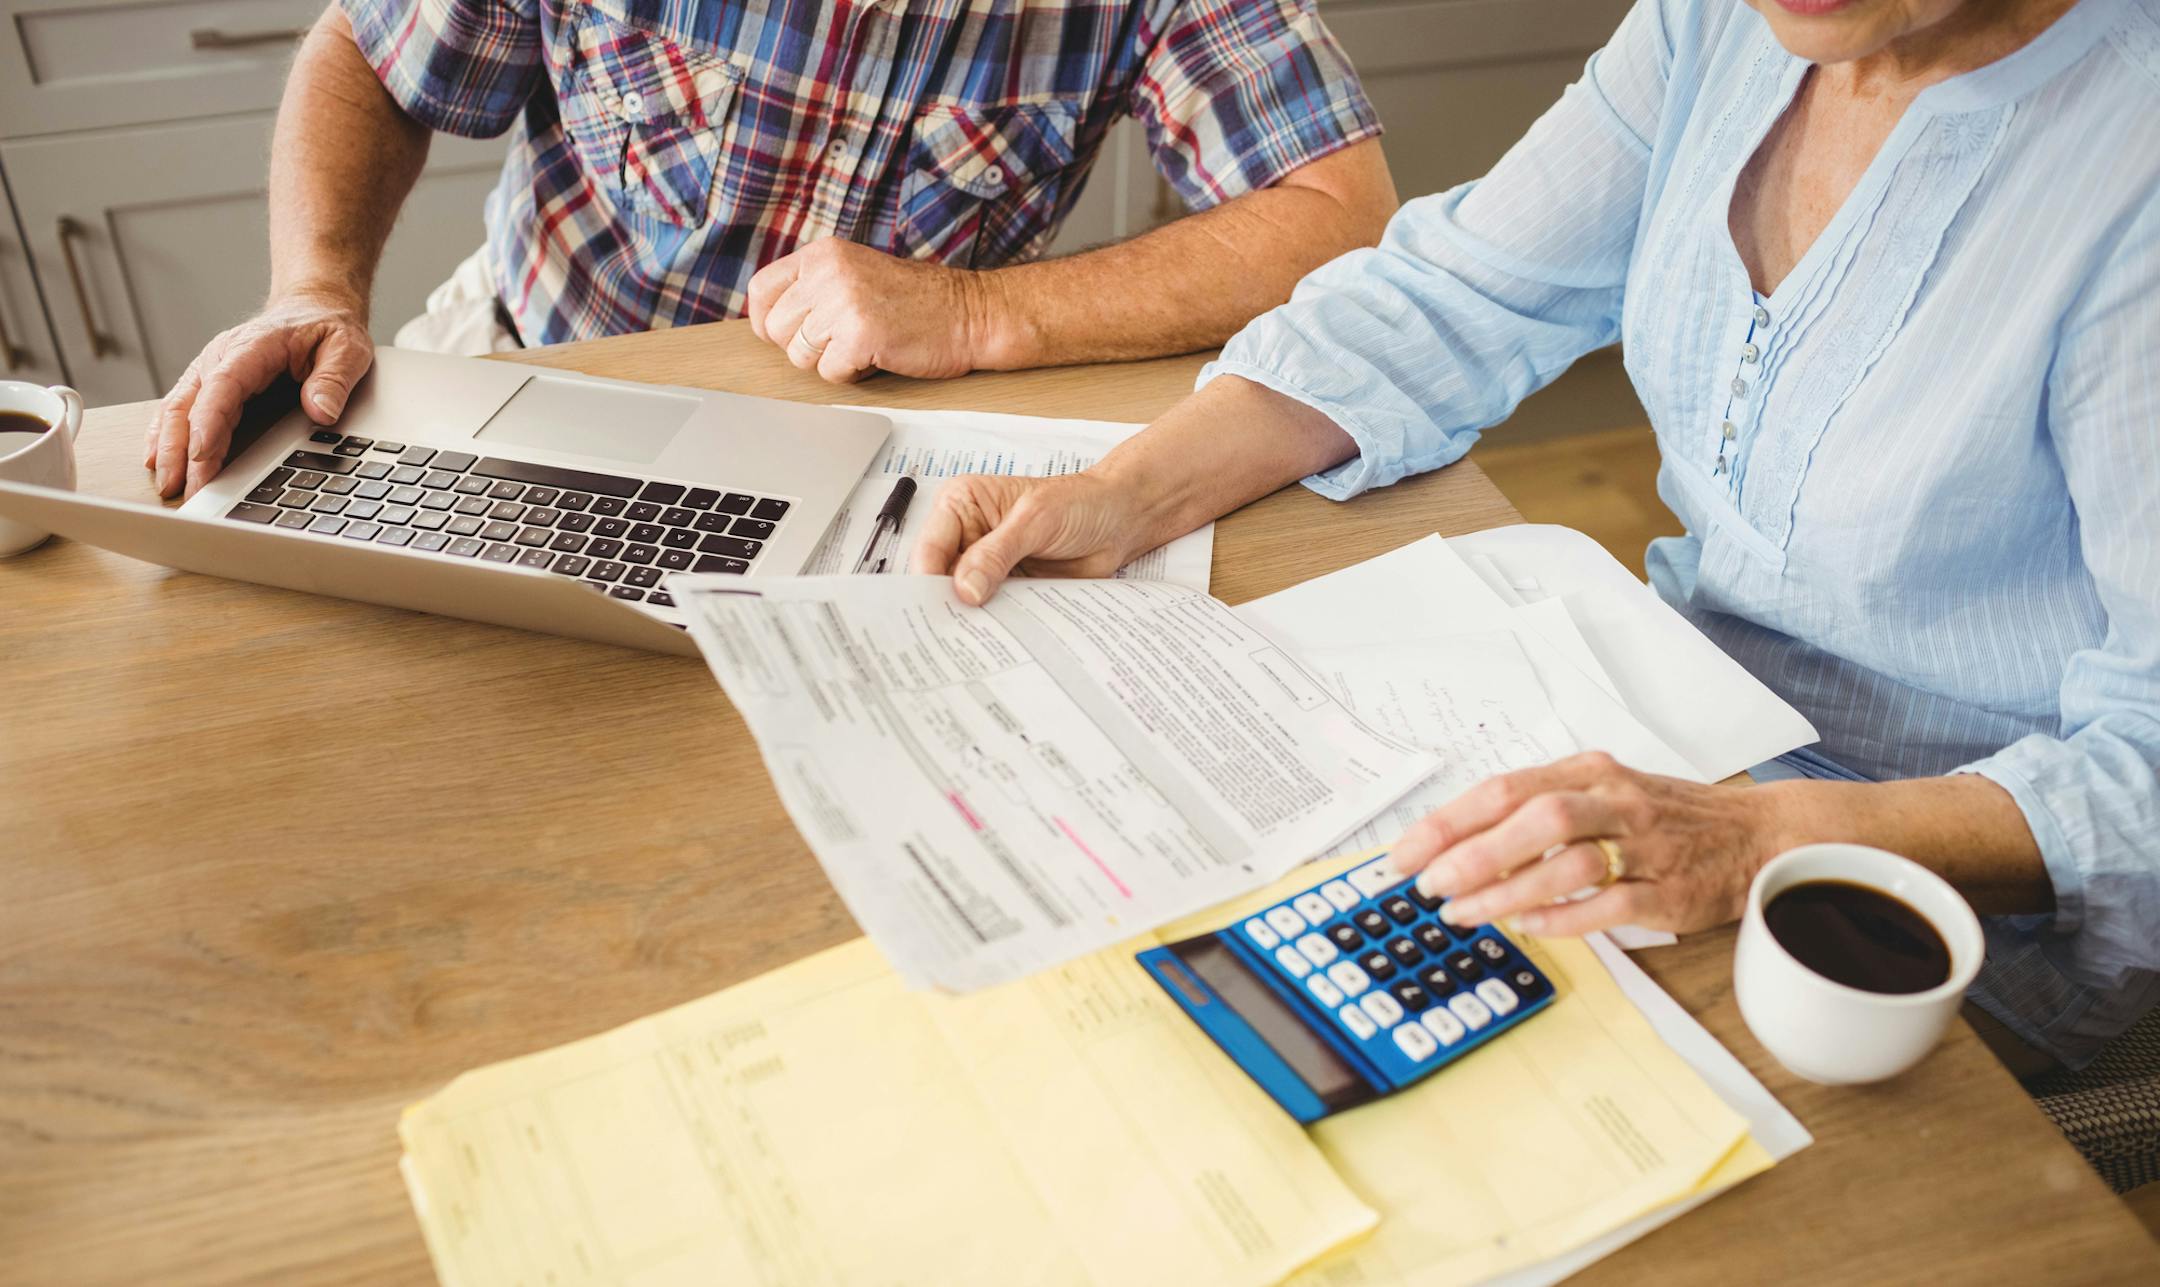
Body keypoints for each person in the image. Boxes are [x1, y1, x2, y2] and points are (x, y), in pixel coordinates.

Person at [917, 0, 2160, 1069]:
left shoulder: (2132, 161)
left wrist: (1748, 843)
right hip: (1664, 746)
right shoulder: (1717, 26)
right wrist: (1127, 491)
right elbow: (1458, 293)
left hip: (1913, 902)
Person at [145, 0, 1397, 499]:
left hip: (883, 450)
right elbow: (370, 54)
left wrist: (972, 315)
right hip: (525, 373)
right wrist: (312, 285)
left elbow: (1342, 208)